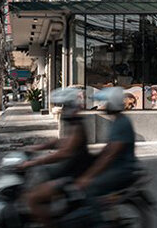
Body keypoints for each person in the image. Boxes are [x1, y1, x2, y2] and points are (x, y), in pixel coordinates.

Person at [20, 88, 92, 227]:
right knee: (39, 178)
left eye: (64, 106)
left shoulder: (77, 127)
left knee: (32, 199)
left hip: (74, 175)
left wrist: (34, 162)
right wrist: (36, 148)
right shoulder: (73, 124)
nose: (62, 110)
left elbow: (64, 152)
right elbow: (60, 142)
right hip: (67, 169)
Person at [73, 86, 139, 211]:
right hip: (116, 166)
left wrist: (88, 176)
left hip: (122, 169)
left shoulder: (122, 123)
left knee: (91, 187)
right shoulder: (117, 121)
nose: (104, 106)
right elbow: (108, 150)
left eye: (107, 103)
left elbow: (110, 155)